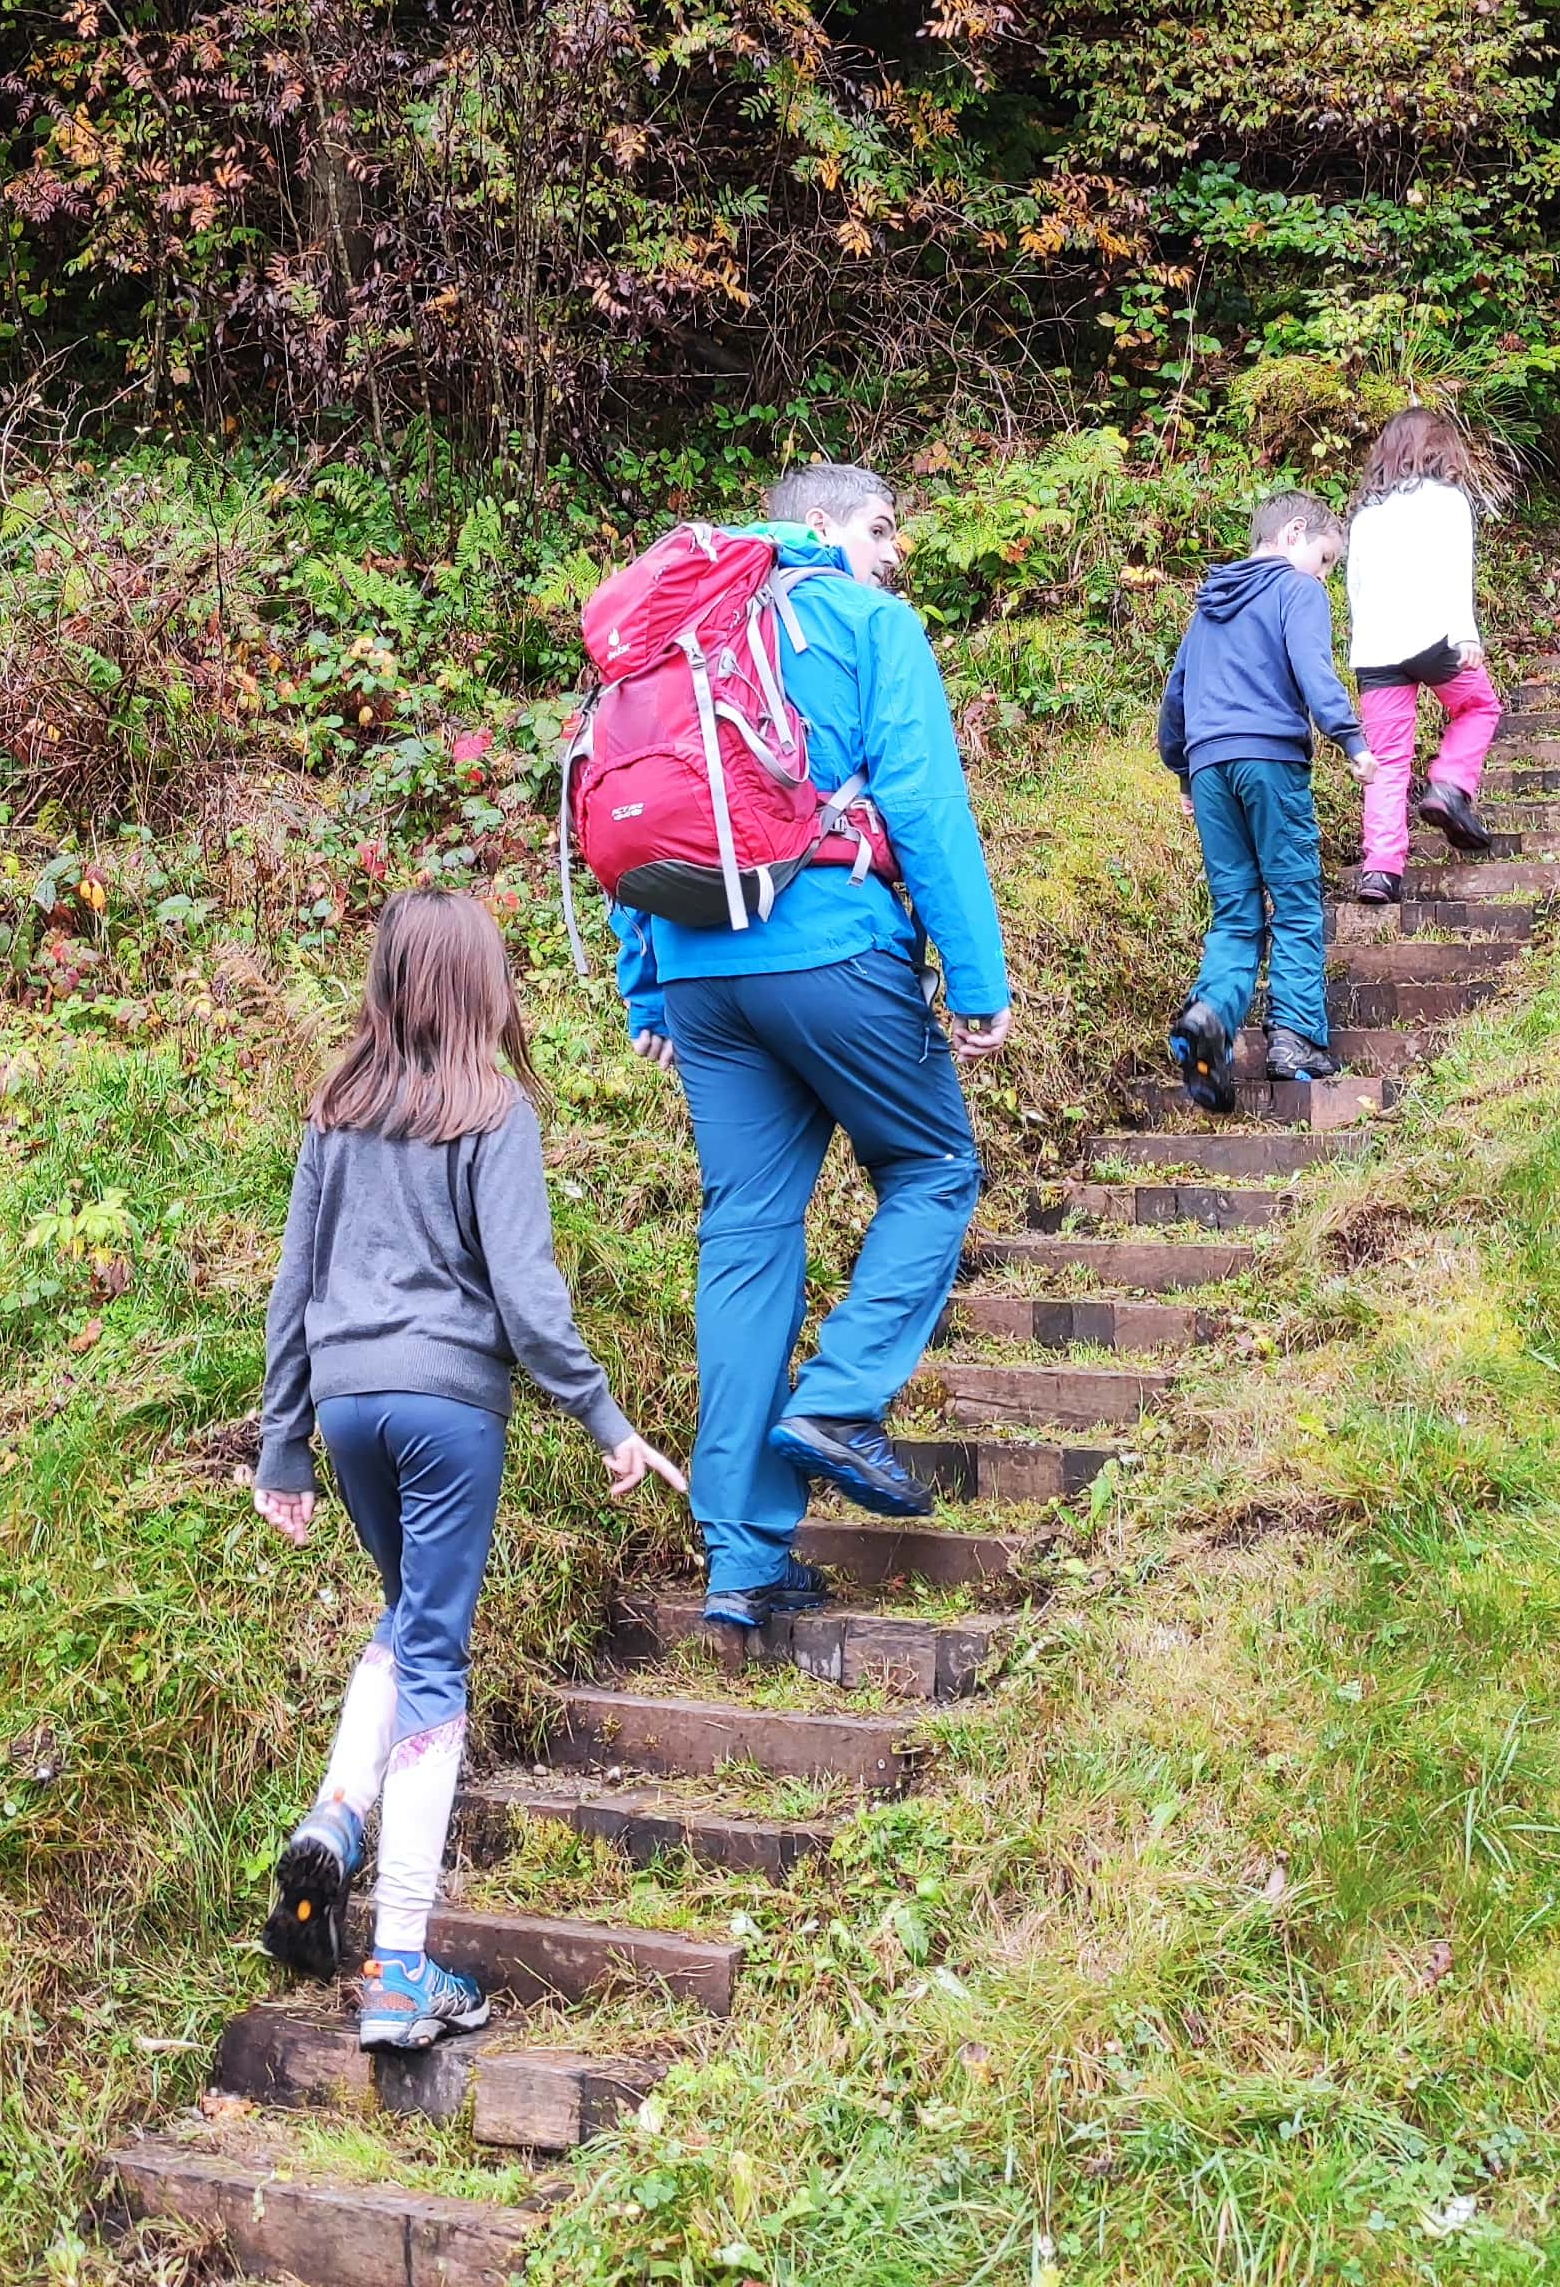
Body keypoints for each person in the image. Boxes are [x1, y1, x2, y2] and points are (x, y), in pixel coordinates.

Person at [255, 890, 681, 2047]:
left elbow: (293, 1287)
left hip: (345, 1404)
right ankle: (400, 1969)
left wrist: (283, 1444)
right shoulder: (493, 1113)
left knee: (408, 1613)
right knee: (436, 1655)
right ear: (480, 986)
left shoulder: (335, 1110)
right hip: (447, 1407)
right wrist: (604, 1419)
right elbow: (528, 1298)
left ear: (390, 983)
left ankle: (338, 1817)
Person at [613, 461, 1014, 1655]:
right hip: (830, 942)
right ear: (822, 526)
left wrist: (647, 983)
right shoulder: (864, 621)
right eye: (882, 528)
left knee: (745, 1234)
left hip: (700, 969)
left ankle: (741, 1564)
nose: (895, 554)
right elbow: (924, 803)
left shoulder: (680, 626)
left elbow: (641, 805)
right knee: (934, 1166)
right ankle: (838, 1402)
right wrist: (977, 980)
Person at [1155, 490, 1360, 1103]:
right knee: (1295, 899)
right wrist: (1350, 738)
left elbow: (1176, 697)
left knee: (1236, 910)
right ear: (1294, 534)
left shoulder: (1209, 605)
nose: (1324, 575)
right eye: (1325, 559)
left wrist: (1185, 771)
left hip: (1209, 767)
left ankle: (1210, 1016)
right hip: (1269, 759)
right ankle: (1295, 1039)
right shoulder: (1297, 590)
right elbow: (1313, 669)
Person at [1344, 401, 1514, 895]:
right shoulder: (1447, 500)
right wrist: (1466, 635)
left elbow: (1356, 588)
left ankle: (1381, 870)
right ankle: (1448, 785)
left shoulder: (1366, 514)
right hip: (1434, 638)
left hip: (1375, 649)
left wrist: (1364, 642)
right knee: (1479, 706)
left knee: (1386, 759)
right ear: (1440, 448)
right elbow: (1455, 570)